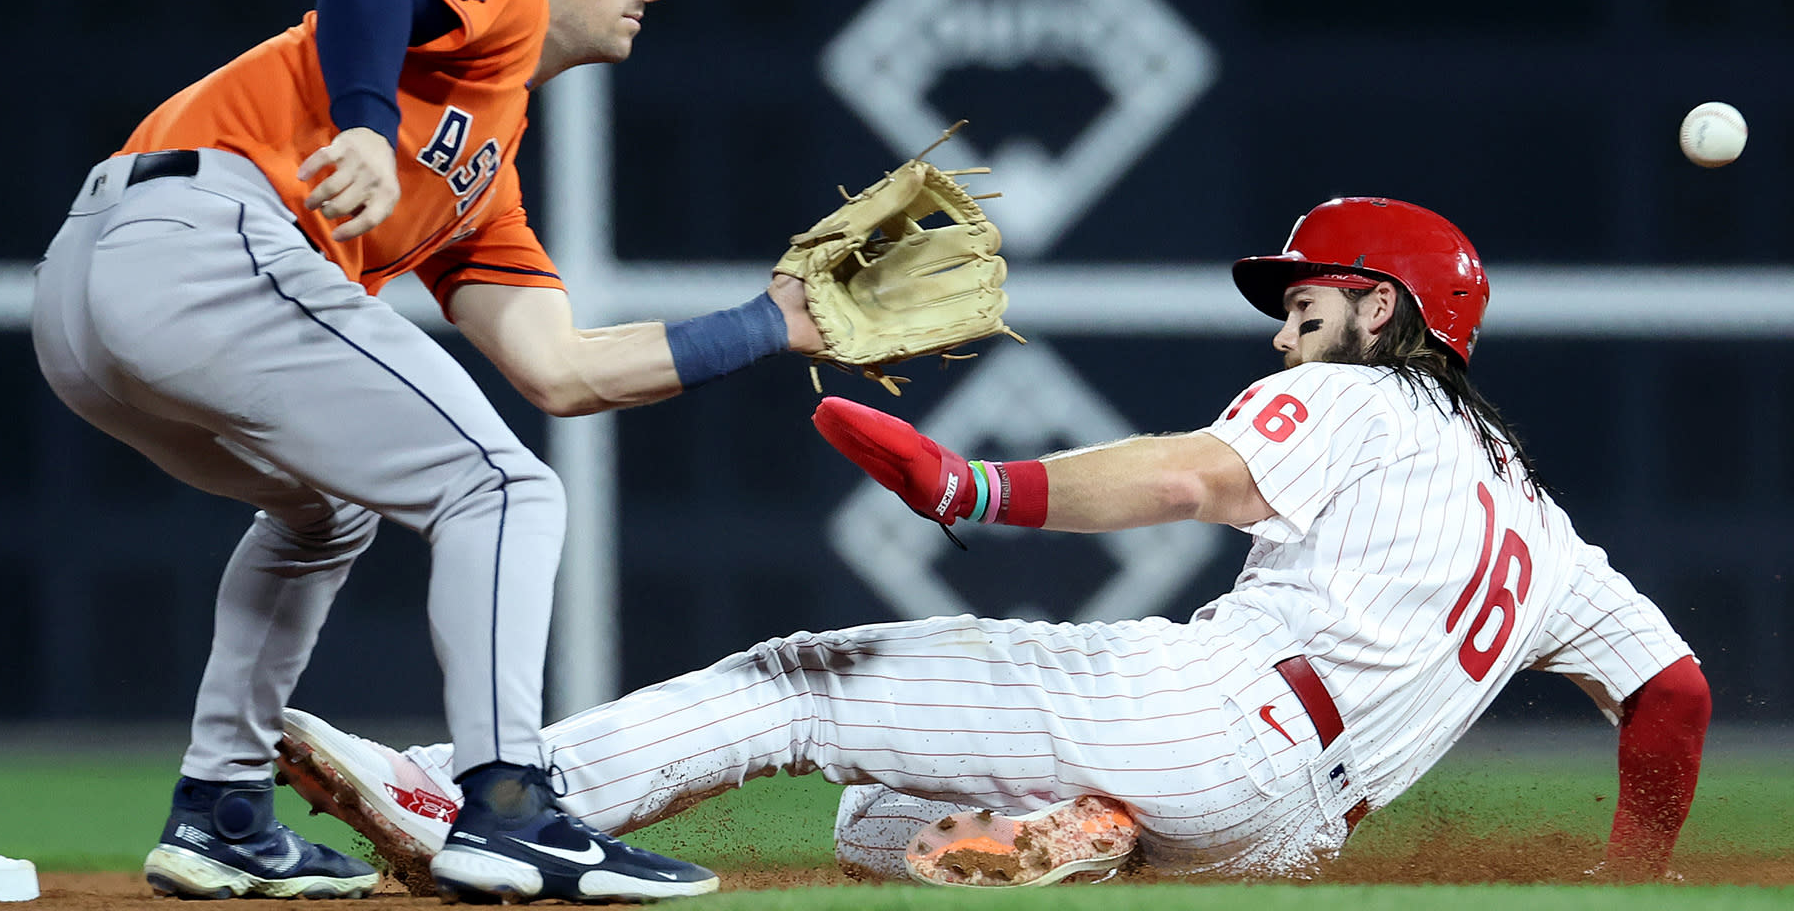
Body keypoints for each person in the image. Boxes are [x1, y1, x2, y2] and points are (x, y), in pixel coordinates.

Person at [270, 197, 1710, 888]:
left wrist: (979, 495)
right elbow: (1673, 697)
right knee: (872, 824)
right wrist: (1632, 879)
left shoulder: (1352, 394)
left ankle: (474, 806)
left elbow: (1193, 479)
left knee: (796, 679)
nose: (1286, 322)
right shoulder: (1538, 521)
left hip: (1213, 711)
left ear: (1382, 312)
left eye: (1311, 297)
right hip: (1283, 836)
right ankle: (1079, 831)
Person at [29, 0, 825, 903]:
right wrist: (362, 126)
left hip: (89, 300)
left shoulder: (479, 174)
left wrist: (771, 325)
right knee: (503, 488)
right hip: (200, 235)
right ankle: (508, 810)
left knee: (325, 516)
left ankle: (221, 810)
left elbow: (562, 372)